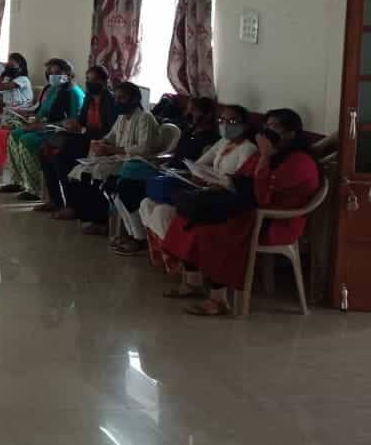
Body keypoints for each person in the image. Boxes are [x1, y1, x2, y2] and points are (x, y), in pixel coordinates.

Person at [162, 108, 320, 317]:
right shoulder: (272, 153)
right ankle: (193, 283)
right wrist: (223, 182)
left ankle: (218, 300)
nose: (267, 132)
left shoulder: (300, 162)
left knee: (212, 228)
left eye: (274, 127)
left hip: (274, 221)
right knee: (188, 217)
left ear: (291, 133)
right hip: (250, 210)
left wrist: (264, 157)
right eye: (266, 126)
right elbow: (243, 176)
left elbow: (264, 196)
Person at [139, 103, 257, 243]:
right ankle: (165, 248)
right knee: (147, 203)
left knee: (162, 212)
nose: (225, 125)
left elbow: (240, 181)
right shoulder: (223, 142)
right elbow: (200, 164)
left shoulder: (248, 149)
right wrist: (198, 174)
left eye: (232, 121)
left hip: (223, 199)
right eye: (222, 120)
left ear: (244, 125)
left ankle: (172, 249)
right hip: (205, 190)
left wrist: (214, 182)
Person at [55, 81, 159, 232]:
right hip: (117, 158)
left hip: (134, 163)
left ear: (135, 99)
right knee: (79, 171)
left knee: (96, 175)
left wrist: (112, 149)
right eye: (116, 98)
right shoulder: (122, 117)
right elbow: (110, 137)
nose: (117, 102)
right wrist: (100, 144)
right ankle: (86, 215)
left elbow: (144, 148)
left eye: (121, 98)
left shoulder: (145, 117)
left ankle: (103, 222)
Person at [36, 65, 116, 212]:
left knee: (61, 159)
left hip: (99, 142)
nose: (90, 83)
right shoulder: (89, 98)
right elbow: (82, 121)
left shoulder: (110, 101)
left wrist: (83, 129)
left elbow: (110, 131)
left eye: (94, 80)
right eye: (88, 79)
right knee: (44, 152)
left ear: (104, 82)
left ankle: (71, 206)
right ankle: (55, 200)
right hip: (84, 137)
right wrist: (72, 124)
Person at [3, 59, 85, 199]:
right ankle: (18, 181)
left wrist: (41, 126)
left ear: (68, 74)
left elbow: (72, 123)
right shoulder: (53, 89)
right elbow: (42, 112)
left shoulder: (74, 93)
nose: (53, 76)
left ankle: (34, 188)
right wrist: (32, 123)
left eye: (57, 73)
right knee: (14, 134)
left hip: (58, 132)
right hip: (44, 127)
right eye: (50, 73)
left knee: (26, 140)